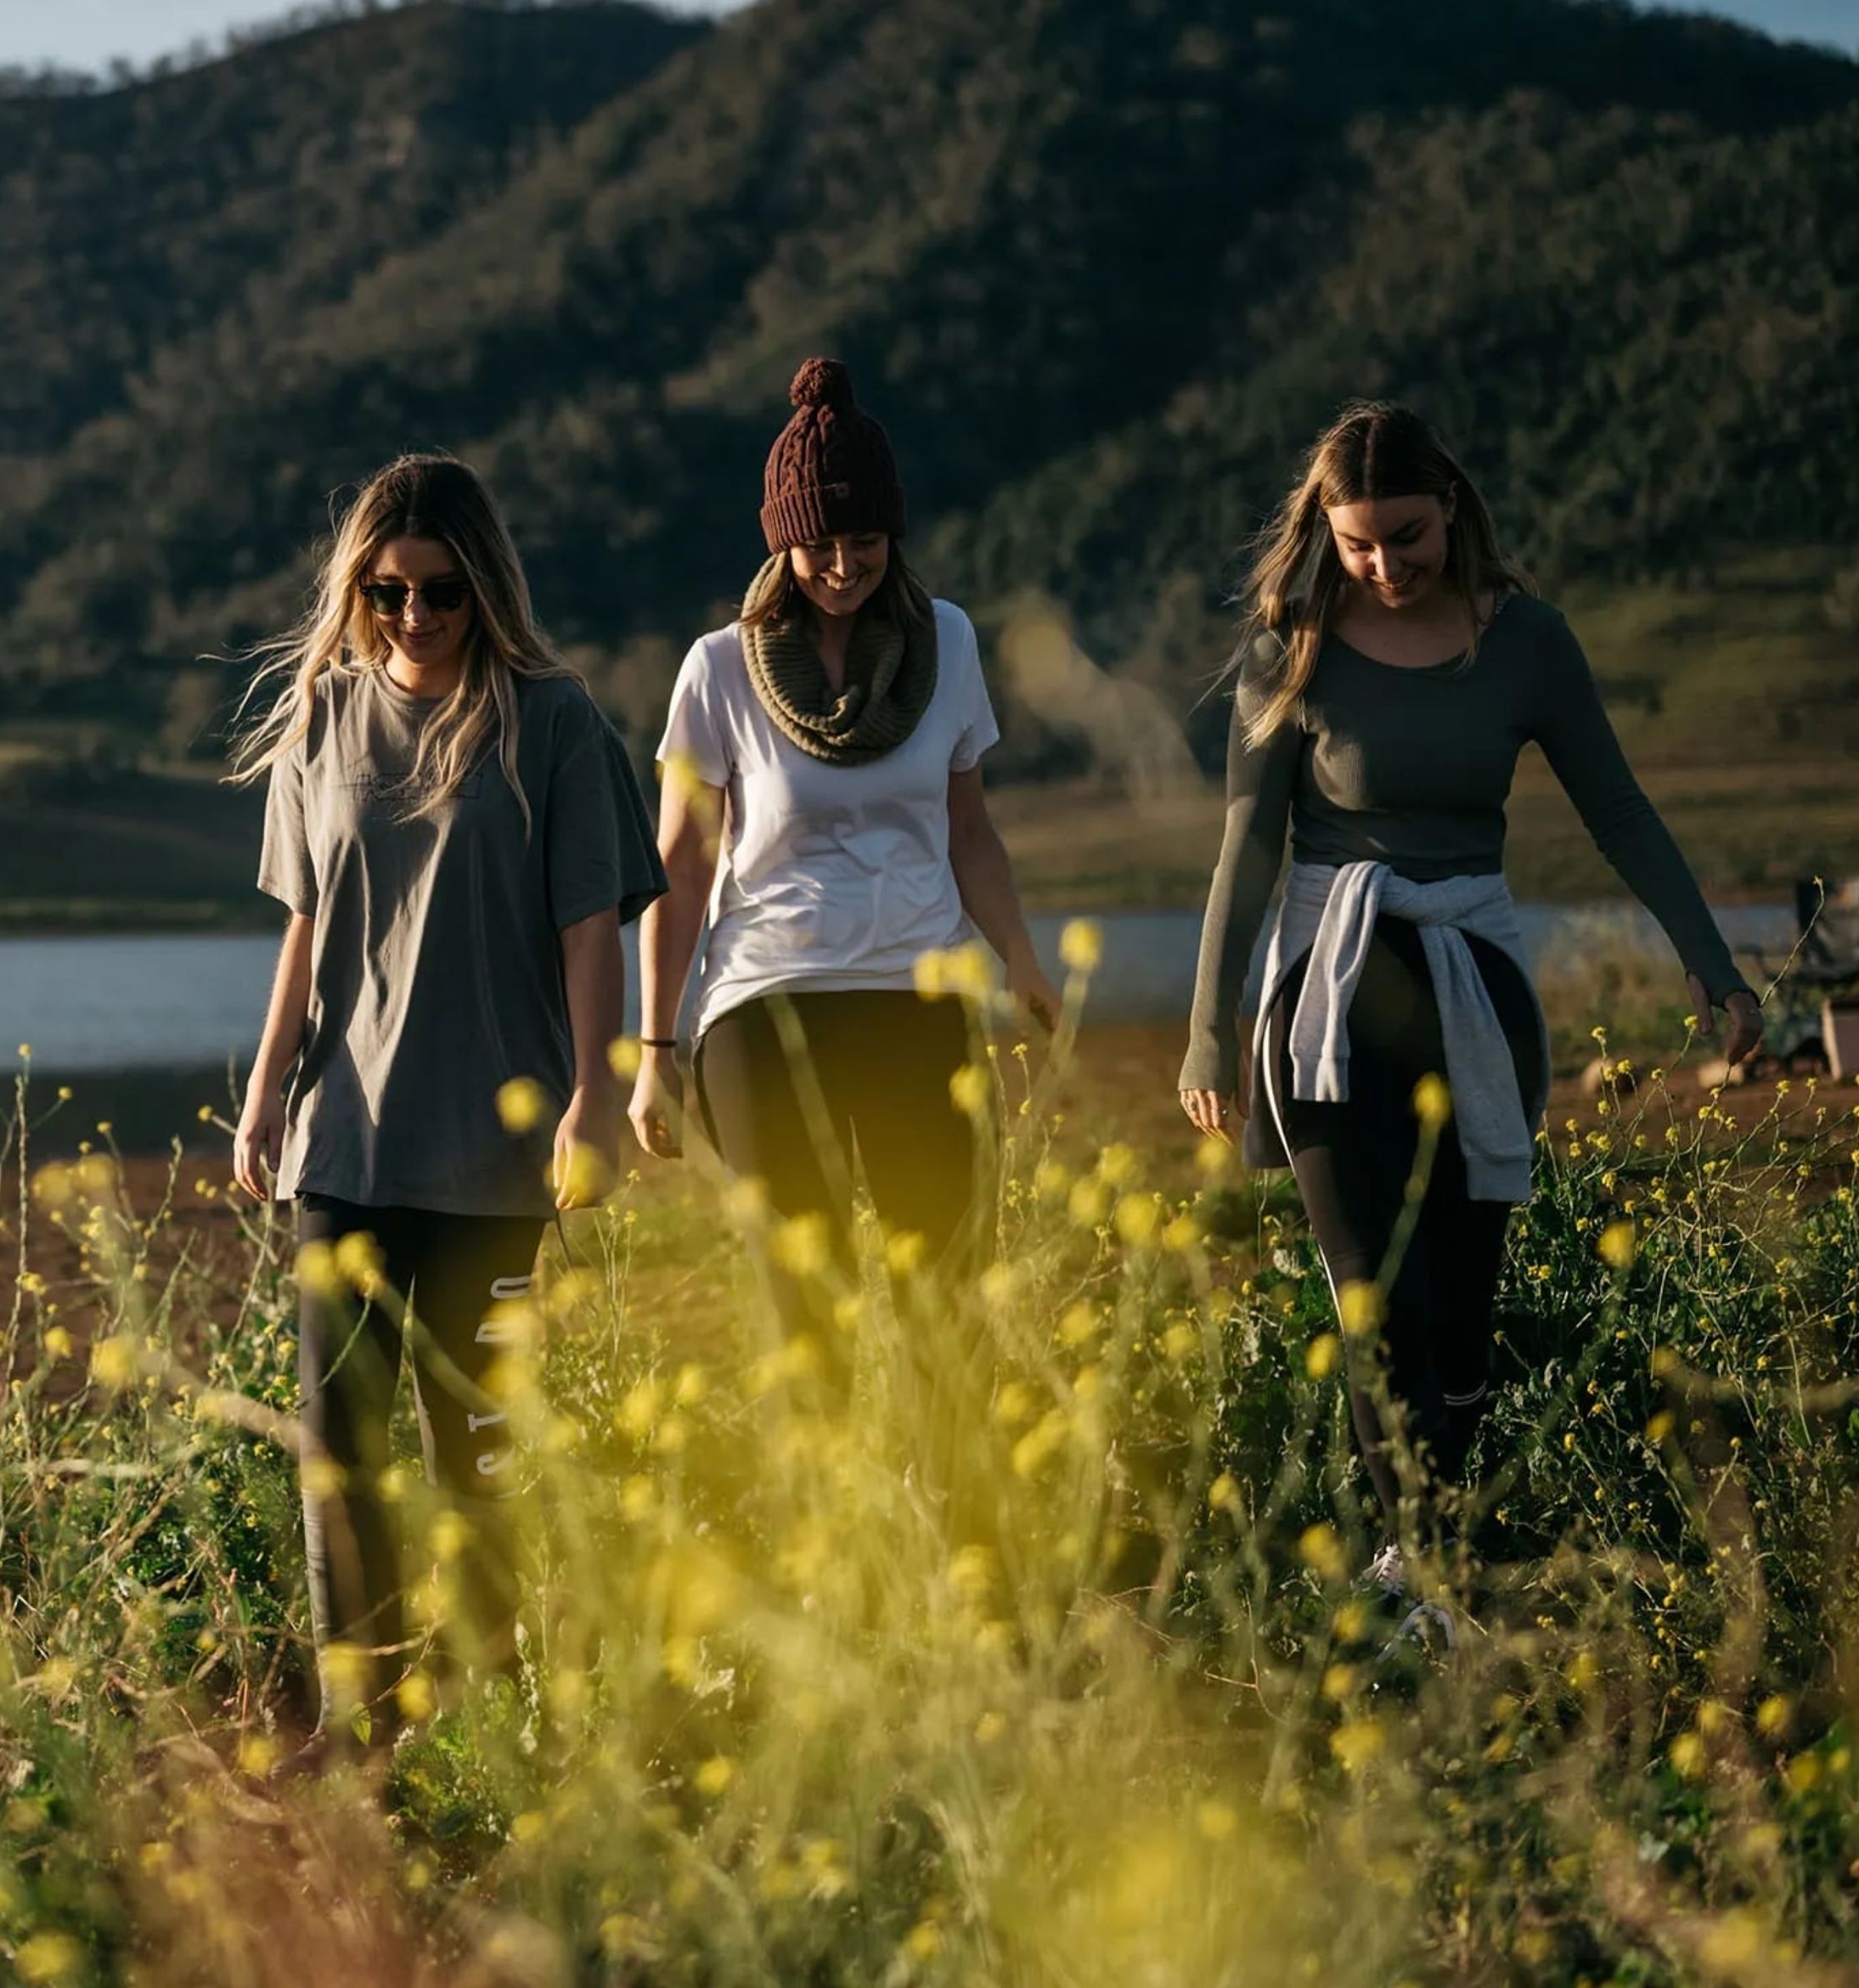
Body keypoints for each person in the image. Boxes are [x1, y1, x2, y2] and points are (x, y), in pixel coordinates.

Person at [1179, 401, 1760, 1591]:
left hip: (1474, 984)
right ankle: (1413, 1572)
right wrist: (1208, 1030)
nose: (1387, 565)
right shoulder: (1288, 641)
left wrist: (1710, 959)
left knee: (1458, 1317)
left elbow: (1619, 807)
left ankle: (1426, 1551)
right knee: (1371, 1296)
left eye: (1408, 535)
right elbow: (1247, 847)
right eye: (1359, 545)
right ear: (1325, 535)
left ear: (1450, 506)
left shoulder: (1528, 641)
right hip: (1330, 996)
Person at [229, 453, 664, 1744]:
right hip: (345, 1143)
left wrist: (596, 1096)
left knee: (477, 1461)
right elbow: (305, 931)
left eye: (440, 592)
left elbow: (593, 929)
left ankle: (478, 1724)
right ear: (359, 591)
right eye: (388, 591)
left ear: (485, 588)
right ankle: (356, 1725)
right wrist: (262, 1096)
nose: (414, 616)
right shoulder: (321, 720)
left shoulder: (557, 721)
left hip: (496, 1152)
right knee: (342, 1456)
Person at [628, 358, 1056, 1280]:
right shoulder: (719, 669)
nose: (842, 566)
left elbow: (968, 828)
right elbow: (682, 865)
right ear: (781, 542)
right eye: (818, 542)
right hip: (765, 1009)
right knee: (803, 1312)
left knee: (950, 1300)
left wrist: (1020, 954)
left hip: (922, 997)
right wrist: (655, 1047)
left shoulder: (948, 641)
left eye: (865, 539)